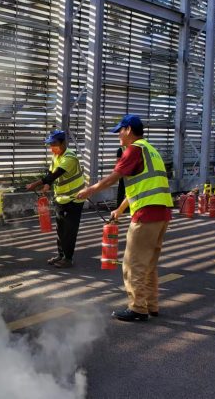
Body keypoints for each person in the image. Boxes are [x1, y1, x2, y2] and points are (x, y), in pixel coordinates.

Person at [76, 114, 172, 322]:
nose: (118, 135)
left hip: (146, 214)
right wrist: (120, 210)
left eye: (120, 131)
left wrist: (90, 190)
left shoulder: (133, 149)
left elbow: (113, 177)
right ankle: (151, 305)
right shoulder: (151, 150)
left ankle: (138, 308)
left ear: (128, 130)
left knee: (132, 264)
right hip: (162, 213)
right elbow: (140, 186)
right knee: (149, 264)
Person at [26, 129, 85, 269]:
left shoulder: (70, 158)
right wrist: (47, 185)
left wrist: (35, 184)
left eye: (54, 144)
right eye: (50, 144)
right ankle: (61, 255)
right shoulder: (56, 156)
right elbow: (50, 173)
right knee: (60, 229)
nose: (52, 147)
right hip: (61, 199)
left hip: (74, 199)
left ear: (63, 143)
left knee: (69, 230)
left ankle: (68, 259)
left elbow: (55, 175)